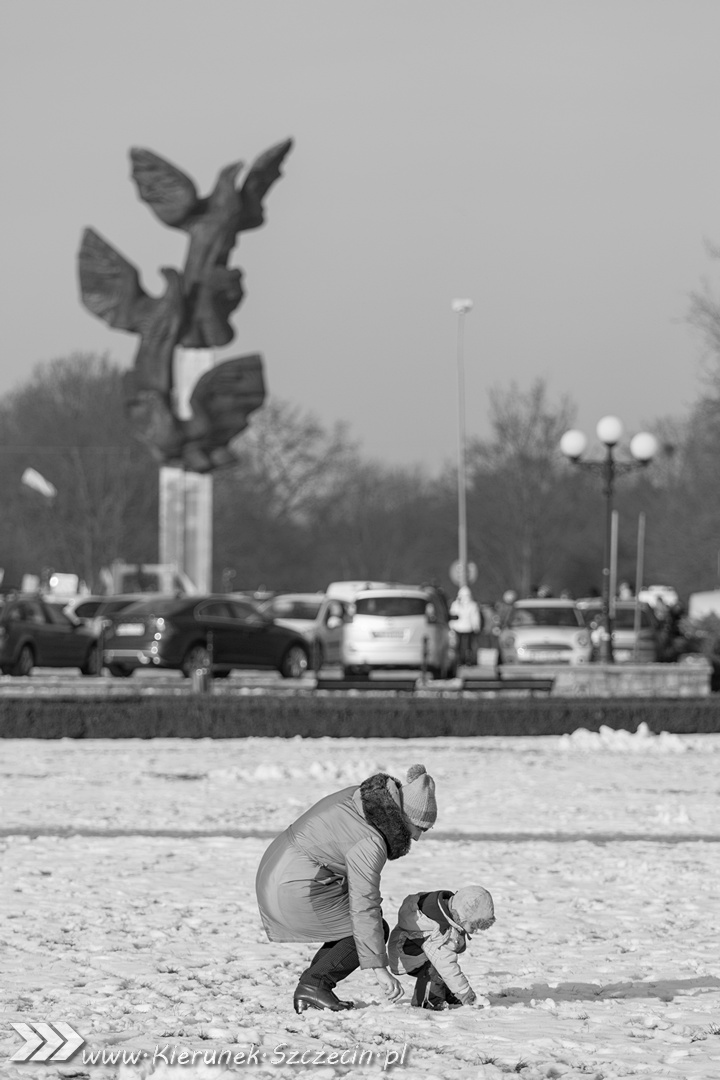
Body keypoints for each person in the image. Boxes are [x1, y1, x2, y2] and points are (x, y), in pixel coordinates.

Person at [255, 763, 438, 1013]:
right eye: (420, 828)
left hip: (277, 869)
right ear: (405, 817)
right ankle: (314, 985)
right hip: (292, 888)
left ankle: (313, 985)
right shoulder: (370, 841)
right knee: (370, 928)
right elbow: (364, 905)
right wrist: (379, 969)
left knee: (353, 928)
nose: (417, 837)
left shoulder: (362, 799)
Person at [388, 884, 495, 1010]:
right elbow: (447, 966)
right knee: (438, 966)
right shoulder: (438, 930)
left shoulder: (446, 914)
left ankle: (448, 994)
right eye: (473, 926)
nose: (473, 932)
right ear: (462, 917)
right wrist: (467, 995)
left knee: (443, 962)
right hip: (405, 953)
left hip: (416, 948)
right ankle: (427, 1000)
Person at [449, 585, 482, 666]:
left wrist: (451, 626)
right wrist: (476, 626)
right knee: (465, 645)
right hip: (463, 628)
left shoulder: (457, 604)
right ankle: (464, 660)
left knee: (463, 645)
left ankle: (463, 659)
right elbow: (475, 617)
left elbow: (475, 617)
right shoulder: (458, 604)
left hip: (463, 628)